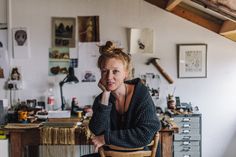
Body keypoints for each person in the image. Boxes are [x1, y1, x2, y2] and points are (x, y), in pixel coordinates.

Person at [84, 41, 161, 157]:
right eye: (105, 71)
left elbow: (146, 134)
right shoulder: (101, 100)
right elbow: (97, 130)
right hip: (111, 154)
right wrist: (105, 95)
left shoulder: (141, 94)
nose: (109, 77)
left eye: (115, 71)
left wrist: (106, 138)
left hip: (138, 155)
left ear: (126, 73)